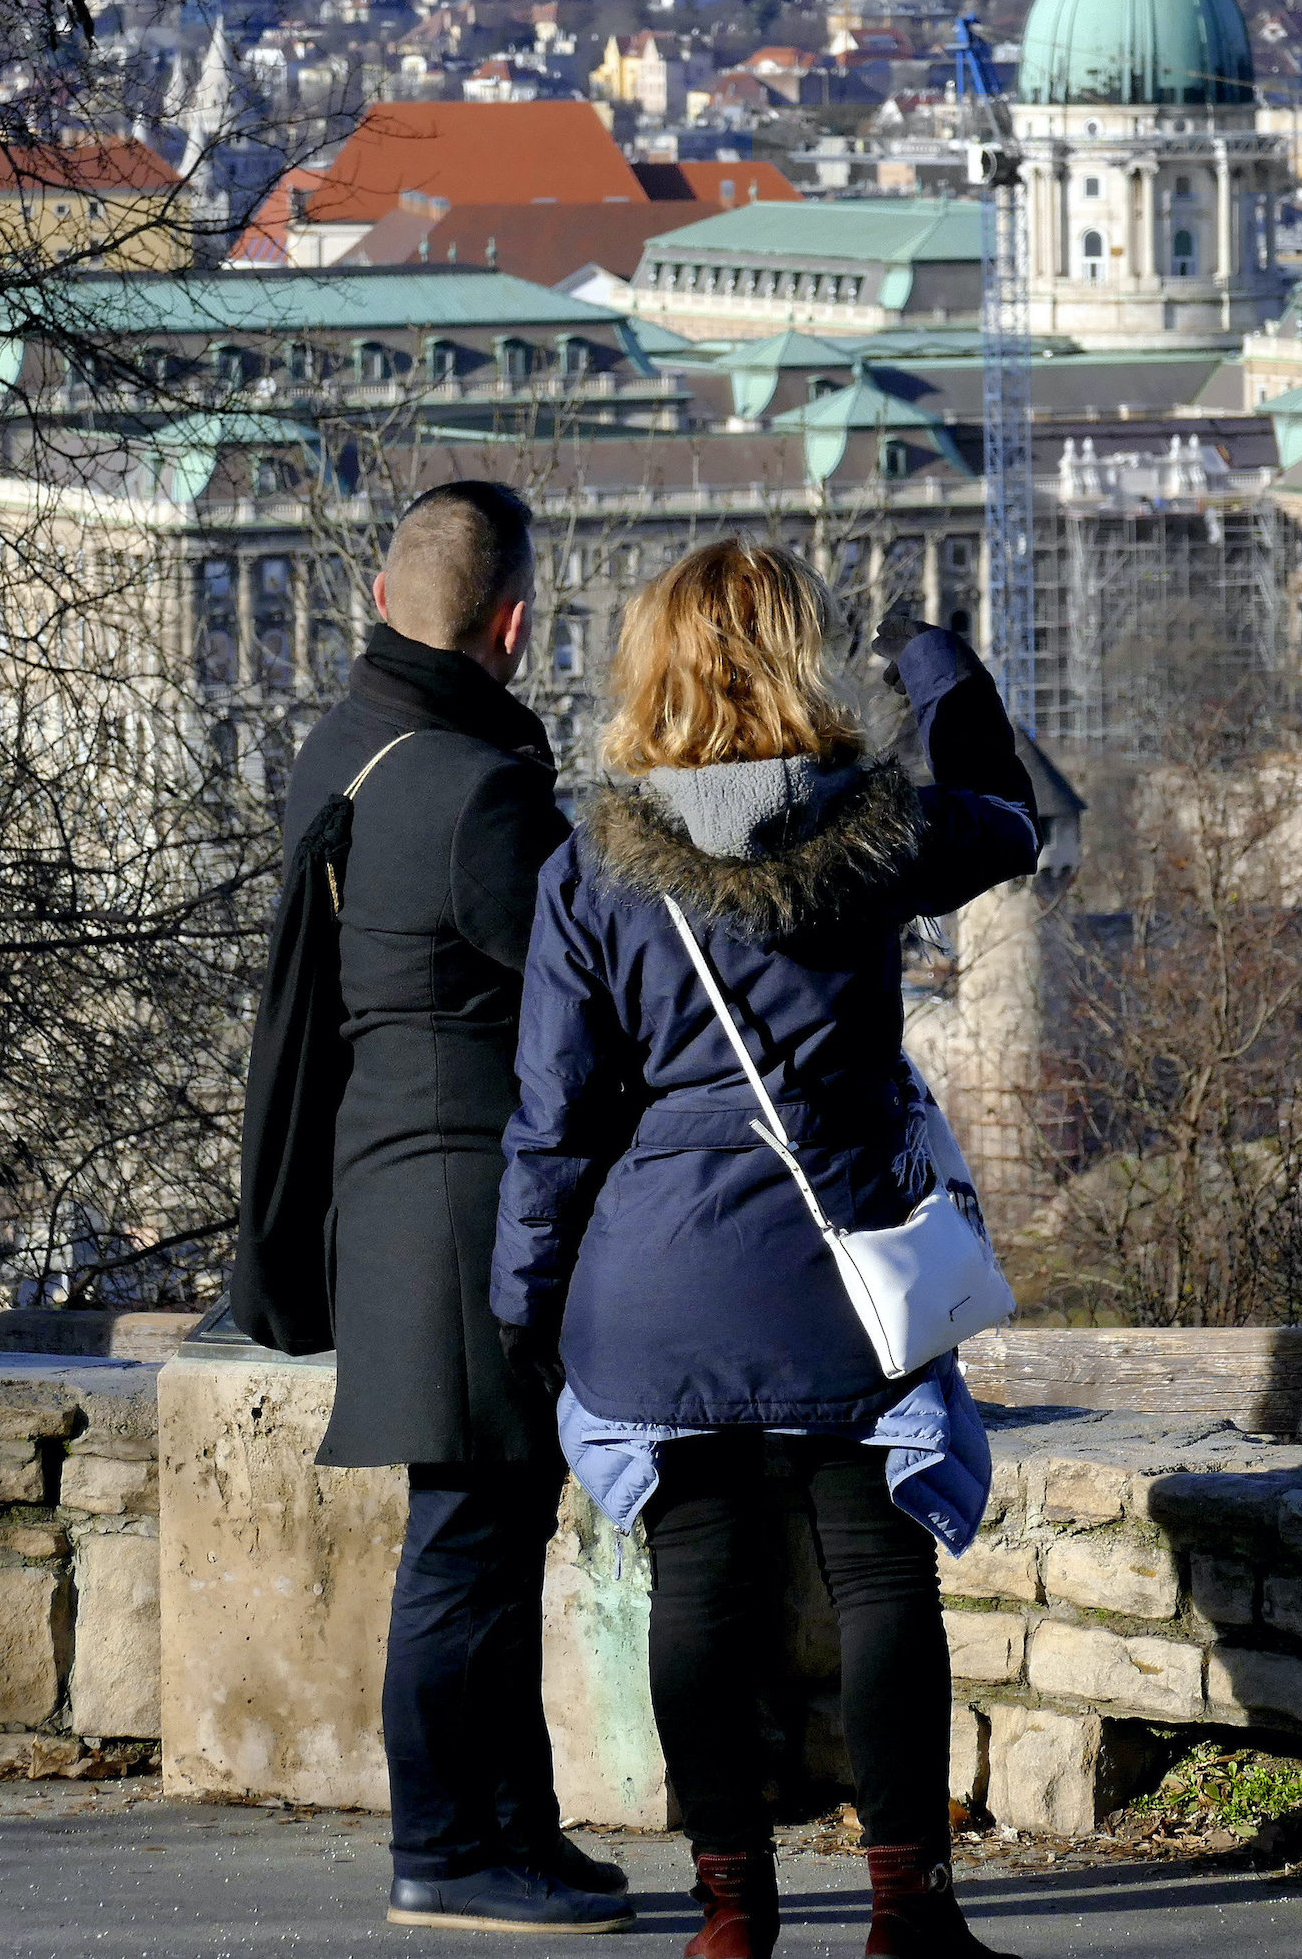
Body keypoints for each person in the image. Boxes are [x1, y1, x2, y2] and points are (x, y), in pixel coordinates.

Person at [495, 543, 1039, 1959]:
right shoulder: (875, 833)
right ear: (802, 658)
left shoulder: (588, 866)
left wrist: (523, 1303)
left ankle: (731, 1911)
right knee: (879, 1579)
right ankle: (906, 1907)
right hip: (841, 1264)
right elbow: (1015, 820)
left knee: (700, 1588)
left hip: (657, 1279)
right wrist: (937, 663)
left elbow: (551, 1120)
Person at [267, 482, 633, 1934]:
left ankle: (512, 1829)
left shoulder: (345, 745)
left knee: (481, 1526)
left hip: (386, 1195)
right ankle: (447, 1842)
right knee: (471, 1540)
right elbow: (578, 980)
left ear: (380, 596)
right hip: (466, 1203)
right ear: (516, 622)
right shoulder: (481, 787)